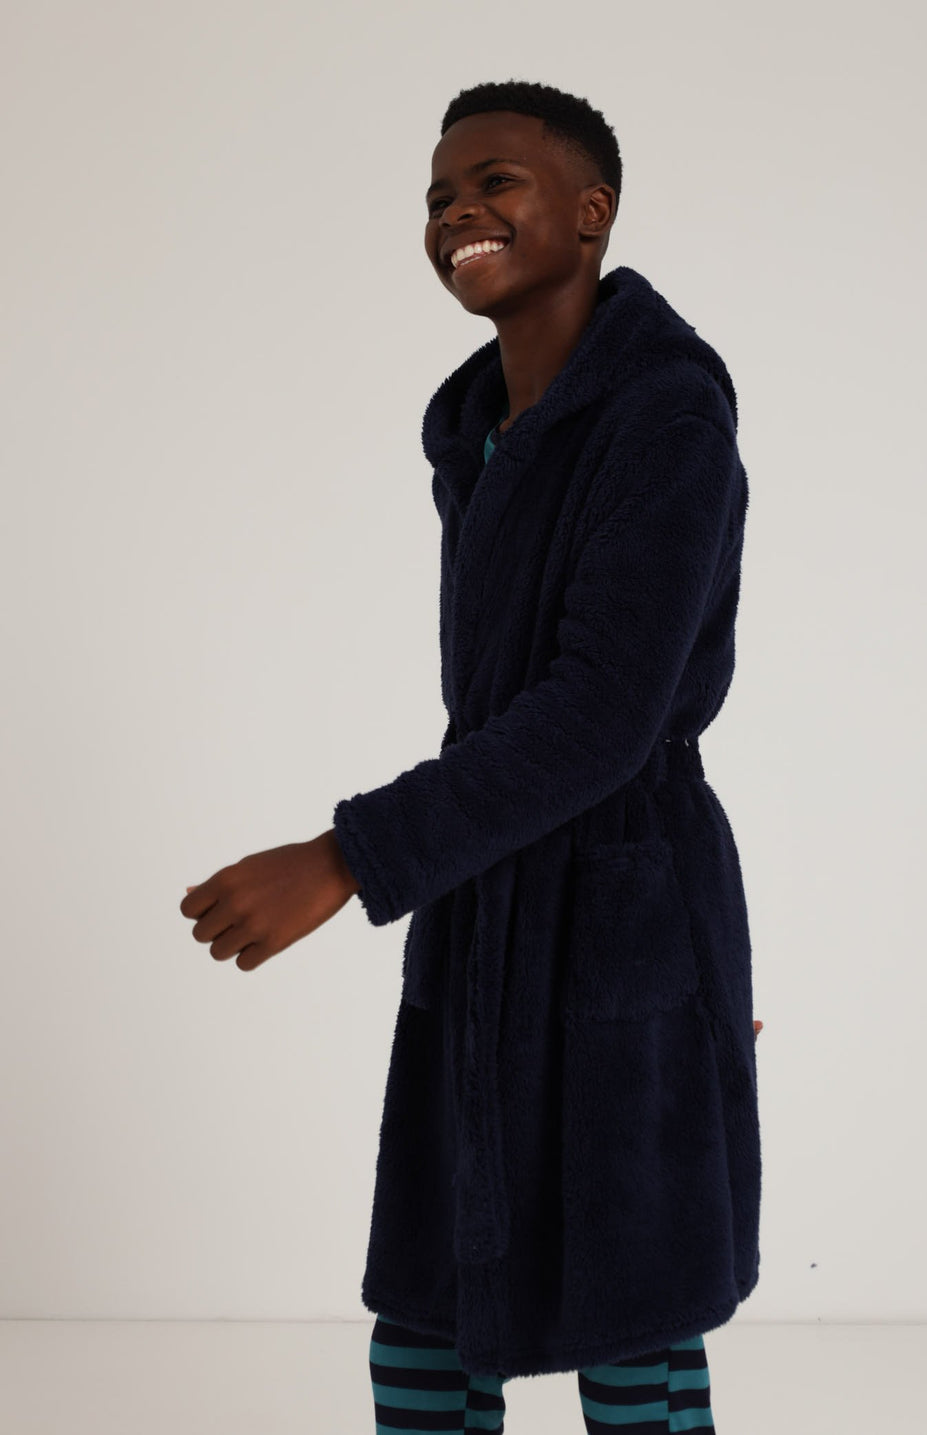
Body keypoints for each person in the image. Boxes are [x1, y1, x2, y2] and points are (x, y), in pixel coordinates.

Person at [180, 79, 762, 1420]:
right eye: (439, 196)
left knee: (633, 1306)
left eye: (496, 183)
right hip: (486, 887)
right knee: (431, 1302)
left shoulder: (666, 417)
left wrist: (347, 855)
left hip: (623, 893)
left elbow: (604, 712)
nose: (457, 215)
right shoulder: (486, 438)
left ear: (591, 210)